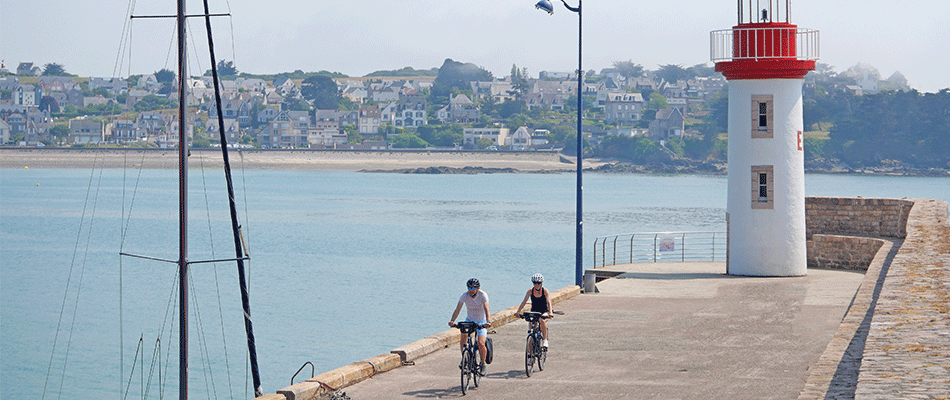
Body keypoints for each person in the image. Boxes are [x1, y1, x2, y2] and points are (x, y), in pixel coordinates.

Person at [449, 278, 492, 375]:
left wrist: (488, 321)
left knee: (481, 343)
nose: (471, 290)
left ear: (478, 288)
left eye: (473, 287)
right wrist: (452, 320)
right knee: (463, 337)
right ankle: (464, 357)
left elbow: (487, 309)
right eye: (469, 287)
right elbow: (458, 309)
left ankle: (483, 364)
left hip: (482, 321)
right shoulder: (464, 296)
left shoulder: (483, 295)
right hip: (470, 320)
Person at [515, 273, 553, 348]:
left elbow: (549, 302)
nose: (537, 285)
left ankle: (545, 340)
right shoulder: (530, 291)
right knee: (531, 332)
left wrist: (550, 312)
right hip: (534, 311)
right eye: (535, 283)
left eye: (538, 283)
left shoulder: (545, 291)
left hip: (543, 311)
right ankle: (530, 356)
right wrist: (518, 312)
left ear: (541, 283)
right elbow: (524, 302)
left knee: (542, 321)